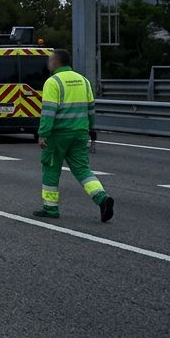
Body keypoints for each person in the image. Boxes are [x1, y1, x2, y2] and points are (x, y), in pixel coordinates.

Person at [35, 48, 114, 222]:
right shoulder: (84, 81)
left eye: (50, 60)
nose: (48, 63)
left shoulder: (53, 82)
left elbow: (49, 111)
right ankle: (102, 198)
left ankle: (50, 208)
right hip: (80, 133)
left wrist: (43, 134)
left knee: (51, 168)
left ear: (56, 62)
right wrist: (91, 129)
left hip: (58, 135)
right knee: (83, 170)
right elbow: (91, 109)